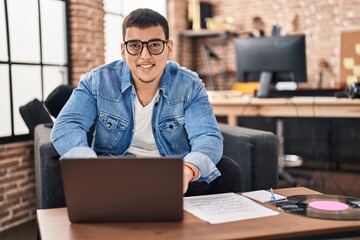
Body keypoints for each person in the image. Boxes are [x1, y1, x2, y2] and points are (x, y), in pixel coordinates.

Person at [51, 8, 240, 196]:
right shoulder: (97, 81)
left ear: (169, 48)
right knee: (74, 169)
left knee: (228, 169)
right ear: (124, 51)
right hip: (114, 174)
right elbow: (67, 125)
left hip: (173, 173)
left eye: (155, 44)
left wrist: (187, 170)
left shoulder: (189, 85)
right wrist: (88, 164)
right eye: (134, 45)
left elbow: (207, 135)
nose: (145, 56)